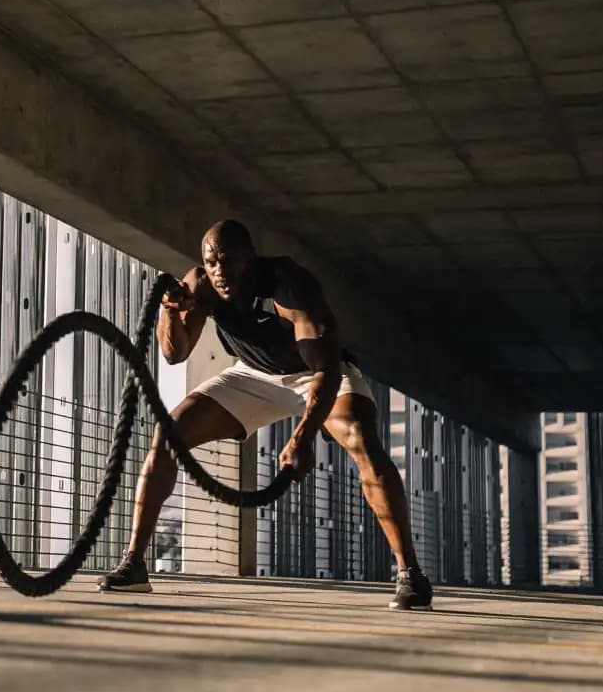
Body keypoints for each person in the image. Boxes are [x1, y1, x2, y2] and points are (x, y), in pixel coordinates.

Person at [97, 220, 433, 610]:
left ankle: (410, 573)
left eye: (228, 260)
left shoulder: (290, 287)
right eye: (211, 261)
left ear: (250, 260)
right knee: (168, 434)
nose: (219, 270)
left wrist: (304, 437)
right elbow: (175, 353)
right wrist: (171, 313)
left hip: (317, 375)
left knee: (361, 438)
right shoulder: (202, 284)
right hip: (253, 374)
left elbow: (325, 370)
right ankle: (134, 564)